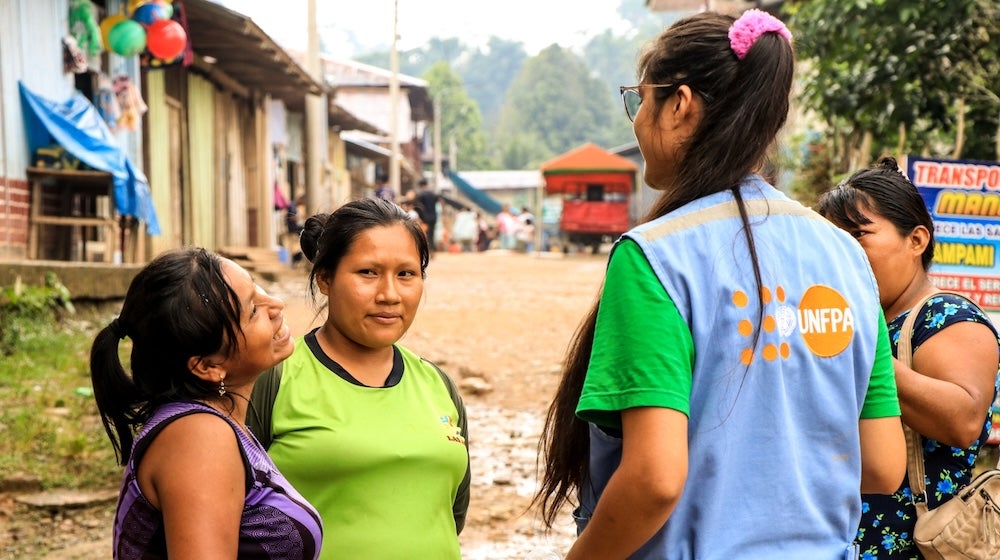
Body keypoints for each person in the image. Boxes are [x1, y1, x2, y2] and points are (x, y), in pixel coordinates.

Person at [533, 10, 906, 560]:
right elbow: (881, 464)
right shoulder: (847, 255)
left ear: (680, 104)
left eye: (639, 101)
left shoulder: (655, 257)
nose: (635, 124)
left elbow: (655, 480)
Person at [247, 197, 470, 560]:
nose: (389, 295)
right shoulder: (272, 381)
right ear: (325, 279)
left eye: (406, 274)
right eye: (368, 272)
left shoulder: (437, 385)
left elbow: (450, 513)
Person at [817, 157, 1000, 560]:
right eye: (833, 241)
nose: (842, 254)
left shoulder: (947, 316)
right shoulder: (860, 319)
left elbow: (964, 419)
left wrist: (862, 350)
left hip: (914, 544)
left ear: (916, 240)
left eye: (858, 236)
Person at [89, 248, 323, 560]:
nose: (276, 305)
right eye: (253, 310)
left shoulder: (211, 422)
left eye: (256, 288)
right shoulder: (199, 437)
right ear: (207, 366)